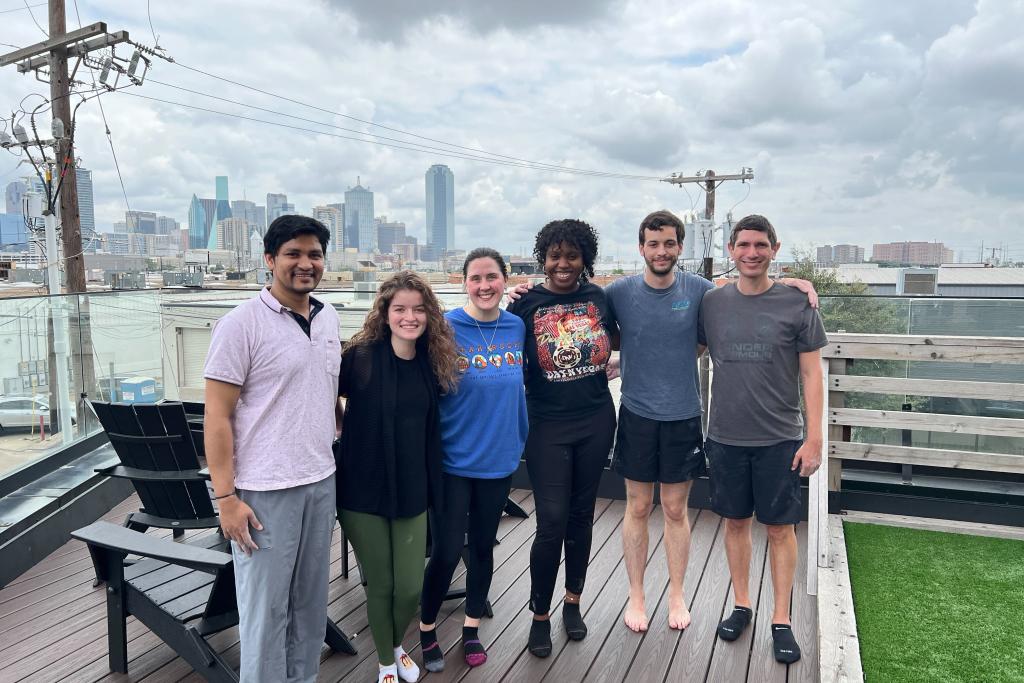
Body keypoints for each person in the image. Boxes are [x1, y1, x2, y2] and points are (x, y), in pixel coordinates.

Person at [203, 215, 339, 683]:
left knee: (309, 607)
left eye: (315, 254)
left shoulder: (329, 317)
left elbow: (321, 389)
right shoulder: (240, 325)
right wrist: (225, 499)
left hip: (321, 481)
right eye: (293, 254)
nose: (306, 264)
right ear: (269, 260)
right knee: (264, 616)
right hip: (263, 493)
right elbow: (217, 416)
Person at [698, 214, 827, 664]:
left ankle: (781, 618)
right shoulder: (711, 303)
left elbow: (812, 375)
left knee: (779, 528)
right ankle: (742, 604)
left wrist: (814, 440)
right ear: (731, 250)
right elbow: (679, 343)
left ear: (774, 248)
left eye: (760, 245)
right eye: (743, 245)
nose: (751, 253)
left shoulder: (797, 304)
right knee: (734, 523)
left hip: (780, 438)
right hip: (725, 436)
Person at [335, 271, 460, 683]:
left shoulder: (430, 361)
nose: (410, 317)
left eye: (418, 309)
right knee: (382, 584)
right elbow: (319, 390)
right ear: (385, 314)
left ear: (429, 315)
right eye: (400, 309)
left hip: (411, 488)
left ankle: (393, 644)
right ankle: (387, 662)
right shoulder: (361, 357)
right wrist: (338, 425)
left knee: (408, 586)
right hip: (361, 489)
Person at [506, 219, 616, 658]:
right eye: (555, 255)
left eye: (572, 255)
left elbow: (636, 332)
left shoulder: (600, 298)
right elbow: (488, 333)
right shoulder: (524, 304)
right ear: (543, 259)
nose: (563, 263)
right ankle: (539, 615)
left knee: (580, 516)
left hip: (595, 420)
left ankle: (573, 602)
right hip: (546, 424)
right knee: (551, 520)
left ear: (585, 259)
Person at [418, 248, 529, 672]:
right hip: (452, 461)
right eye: (476, 278)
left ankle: (470, 629)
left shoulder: (515, 326)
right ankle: (427, 630)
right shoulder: (443, 327)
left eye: (493, 278)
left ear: (505, 280)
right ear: (464, 282)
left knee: (482, 548)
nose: (485, 286)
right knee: (446, 550)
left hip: (499, 460)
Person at [604, 210, 712, 633]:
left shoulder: (700, 290)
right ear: (641, 247)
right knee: (637, 505)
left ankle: (677, 592)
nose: (661, 251)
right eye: (653, 243)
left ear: (680, 247)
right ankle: (636, 594)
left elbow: (746, 293)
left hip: (684, 415)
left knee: (674, 508)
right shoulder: (620, 292)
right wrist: (523, 294)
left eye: (669, 243)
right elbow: (573, 300)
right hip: (636, 414)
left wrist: (798, 284)